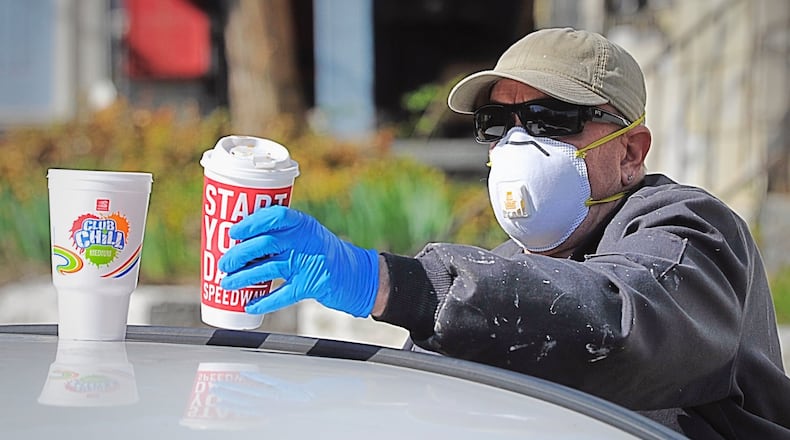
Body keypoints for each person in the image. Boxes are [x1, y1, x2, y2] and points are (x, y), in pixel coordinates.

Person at [218, 27, 790, 438]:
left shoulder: (686, 231)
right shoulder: (508, 270)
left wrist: (390, 282)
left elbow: (615, 327)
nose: (519, 145)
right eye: (499, 125)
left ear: (630, 153)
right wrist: (333, 409)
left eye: (551, 121)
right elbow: (439, 399)